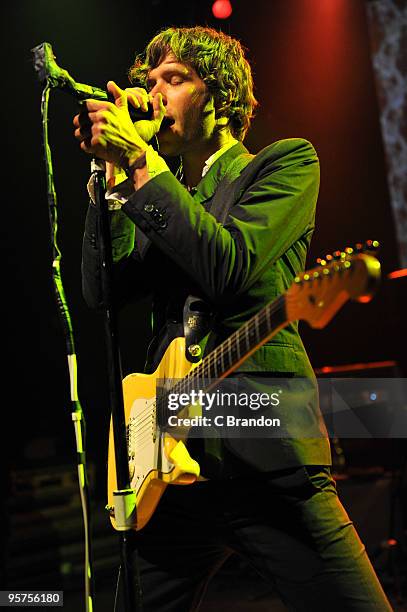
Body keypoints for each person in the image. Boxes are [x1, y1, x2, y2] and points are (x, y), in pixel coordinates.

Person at [74, 26, 392, 611]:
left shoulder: (285, 164)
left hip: (264, 456)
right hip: (170, 470)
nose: (154, 94)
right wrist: (114, 181)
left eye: (173, 80)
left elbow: (227, 267)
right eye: (150, 82)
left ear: (217, 100)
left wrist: (143, 166)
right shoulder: (155, 195)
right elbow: (101, 291)